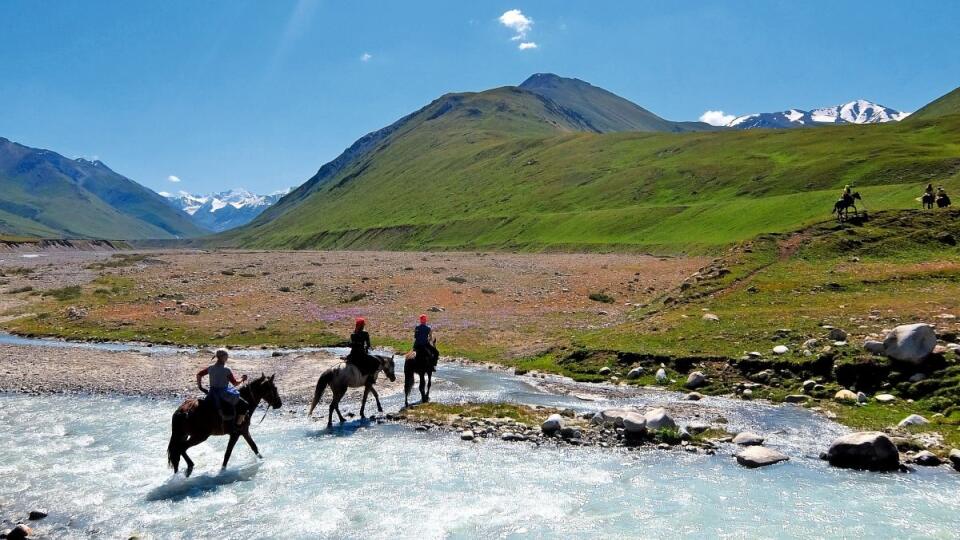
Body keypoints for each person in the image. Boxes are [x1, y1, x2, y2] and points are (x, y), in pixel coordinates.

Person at [196, 349, 247, 428]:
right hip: (223, 393)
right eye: (226, 356)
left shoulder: (210, 368)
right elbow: (235, 383)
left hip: (212, 393)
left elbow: (199, 375)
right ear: (223, 357)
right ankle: (238, 426)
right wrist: (242, 378)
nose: (227, 358)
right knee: (244, 405)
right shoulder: (226, 370)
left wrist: (200, 387)